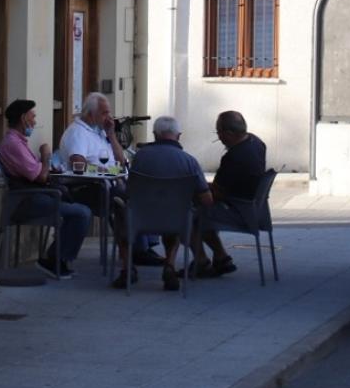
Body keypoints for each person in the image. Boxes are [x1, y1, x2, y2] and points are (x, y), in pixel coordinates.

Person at [55, 92, 165, 267]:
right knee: (128, 197)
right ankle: (138, 250)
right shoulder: (78, 133)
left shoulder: (99, 132)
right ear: (91, 114)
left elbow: (120, 161)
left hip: (108, 183)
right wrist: (103, 170)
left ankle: (145, 246)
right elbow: (78, 165)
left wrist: (111, 134)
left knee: (144, 191)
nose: (109, 117)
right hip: (86, 187)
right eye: (105, 113)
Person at [0, 99, 91, 280]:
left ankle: (57, 258)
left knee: (76, 205)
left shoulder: (18, 142)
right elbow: (39, 176)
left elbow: (37, 171)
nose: (35, 121)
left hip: (35, 196)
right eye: (33, 116)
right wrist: (46, 157)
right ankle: (53, 260)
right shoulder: (13, 144)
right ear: (23, 118)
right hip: (26, 201)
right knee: (82, 213)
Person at [121, 115, 213, 291]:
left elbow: (129, 192)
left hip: (140, 220)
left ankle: (127, 268)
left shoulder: (140, 158)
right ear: (179, 135)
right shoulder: (189, 161)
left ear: (155, 135)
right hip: (176, 222)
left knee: (119, 213)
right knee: (179, 212)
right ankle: (169, 264)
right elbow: (206, 199)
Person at [195, 110, 268, 276]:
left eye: (219, 133)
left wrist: (197, 186)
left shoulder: (234, 157)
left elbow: (217, 194)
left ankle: (201, 261)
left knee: (192, 214)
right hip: (254, 207)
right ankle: (221, 257)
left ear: (229, 133)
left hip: (239, 209)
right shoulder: (256, 142)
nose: (219, 138)